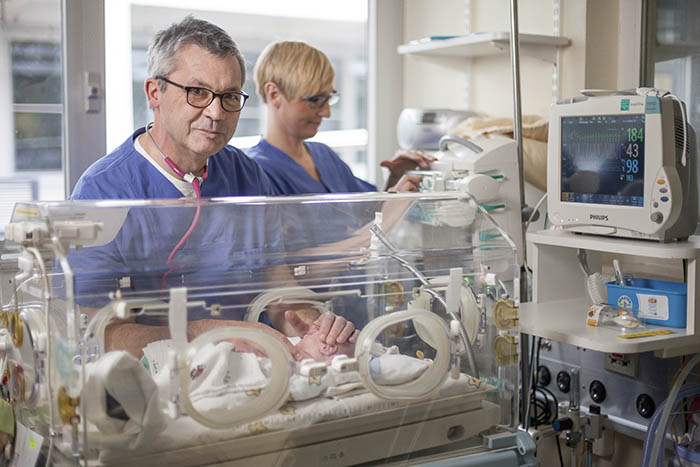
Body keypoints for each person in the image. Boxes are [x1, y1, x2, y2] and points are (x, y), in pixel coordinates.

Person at [69, 16, 354, 358]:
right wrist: (202, 333)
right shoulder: (103, 192)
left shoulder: (245, 175)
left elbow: (280, 290)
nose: (216, 112)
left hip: (245, 375)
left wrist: (312, 323)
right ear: (154, 92)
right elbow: (95, 334)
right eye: (198, 93)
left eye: (230, 96)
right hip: (156, 387)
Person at [247, 40, 432, 195]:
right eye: (315, 100)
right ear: (274, 94)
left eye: (329, 99)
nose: (326, 112)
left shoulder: (324, 156)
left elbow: (368, 218)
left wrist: (396, 178)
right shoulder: (255, 171)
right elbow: (315, 239)